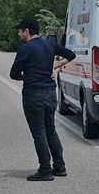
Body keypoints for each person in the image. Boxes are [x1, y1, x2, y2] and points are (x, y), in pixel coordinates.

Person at [10, 18, 76, 181]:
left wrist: (22, 76)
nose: (18, 34)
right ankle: (59, 167)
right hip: (50, 93)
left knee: (39, 132)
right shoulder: (49, 44)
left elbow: (13, 74)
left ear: (26, 31)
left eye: (20, 30)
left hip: (34, 94)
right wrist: (55, 66)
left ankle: (45, 169)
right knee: (50, 130)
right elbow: (70, 55)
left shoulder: (25, 49)